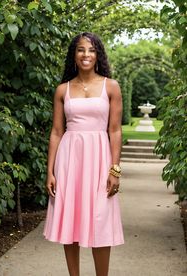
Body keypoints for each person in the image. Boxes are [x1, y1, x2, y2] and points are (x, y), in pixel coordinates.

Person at [43, 32, 124, 276]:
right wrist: (50, 171)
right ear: (74, 55)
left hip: (99, 159)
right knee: (72, 220)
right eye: (80, 50)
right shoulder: (62, 90)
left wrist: (115, 169)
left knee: (100, 219)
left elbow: (115, 130)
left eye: (91, 50)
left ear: (97, 54)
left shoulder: (111, 86)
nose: (86, 54)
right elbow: (57, 132)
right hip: (70, 160)